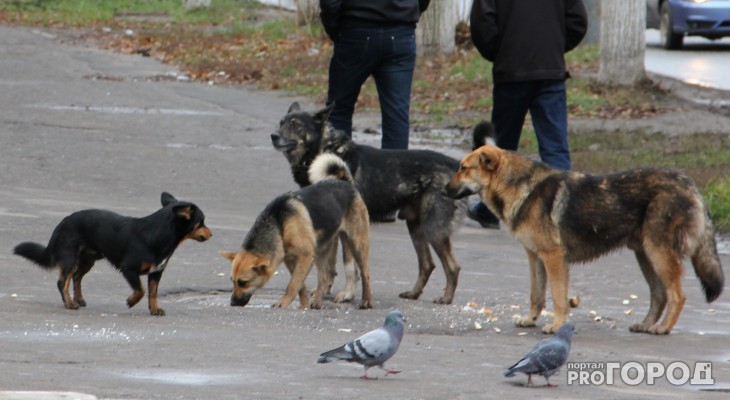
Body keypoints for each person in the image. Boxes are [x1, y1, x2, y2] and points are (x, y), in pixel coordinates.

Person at [467, 0, 588, 228]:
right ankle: (564, 212)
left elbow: (483, 25)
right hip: (550, 68)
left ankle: (491, 209)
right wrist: (554, 46)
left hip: (511, 69)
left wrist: (501, 50)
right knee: (555, 145)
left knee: (501, 146)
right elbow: (578, 21)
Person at [319, 0, 431, 150]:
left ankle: (336, 169)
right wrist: (409, 12)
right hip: (400, 32)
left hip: (355, 30)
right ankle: (393, 172)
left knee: (339, 110)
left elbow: (329, 3)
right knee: (396, 115)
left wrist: (334, 28)